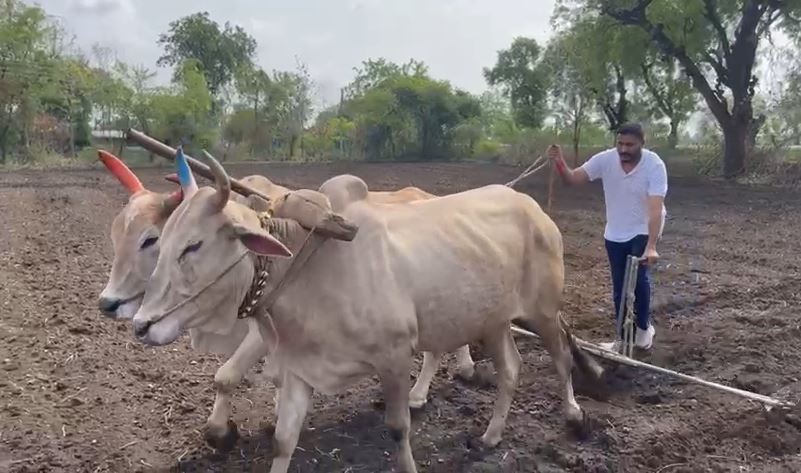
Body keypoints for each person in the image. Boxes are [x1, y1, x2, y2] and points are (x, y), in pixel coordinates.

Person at [546, 123, 667, 352]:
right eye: (620, 143)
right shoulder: (605, 160)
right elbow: (573, 179)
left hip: (644, 228)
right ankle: (621, 339)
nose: (624, 149)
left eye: (630, 145)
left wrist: (651, 246)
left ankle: (643, 329)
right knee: (620, 286)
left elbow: (655, 208)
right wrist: (560, 161)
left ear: (642, 143)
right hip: (615, 232)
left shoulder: (654, 165)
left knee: (638, 278)